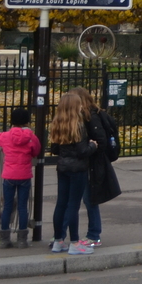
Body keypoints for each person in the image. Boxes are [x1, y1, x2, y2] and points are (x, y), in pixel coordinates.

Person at [48, 91, 98, 254]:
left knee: (61, 203)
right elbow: (82, 151)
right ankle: (75, 242)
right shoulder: (79, 125)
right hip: (78, 168)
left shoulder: (57, 123)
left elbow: (54, 148)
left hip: (62, 167)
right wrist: (93, 145)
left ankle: (58, 240)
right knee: (73, 205)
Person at [74, 87, 121, 247]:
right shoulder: (92, 115)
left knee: (89, 199)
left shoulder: (91, 117)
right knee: (88, 199)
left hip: (93, 163)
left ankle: (94, 234)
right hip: (92, 162)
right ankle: (93, 234)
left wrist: (89, 149)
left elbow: (100, 141)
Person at [0, 107, 40, 248]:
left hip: (9, 175)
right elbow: (36, 150)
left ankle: (5, 239)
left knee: (7, 206)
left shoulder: (6, 136)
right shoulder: (31, 137)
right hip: (24, 175)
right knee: (23, 207)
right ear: (27, 122)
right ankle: (22, 239)